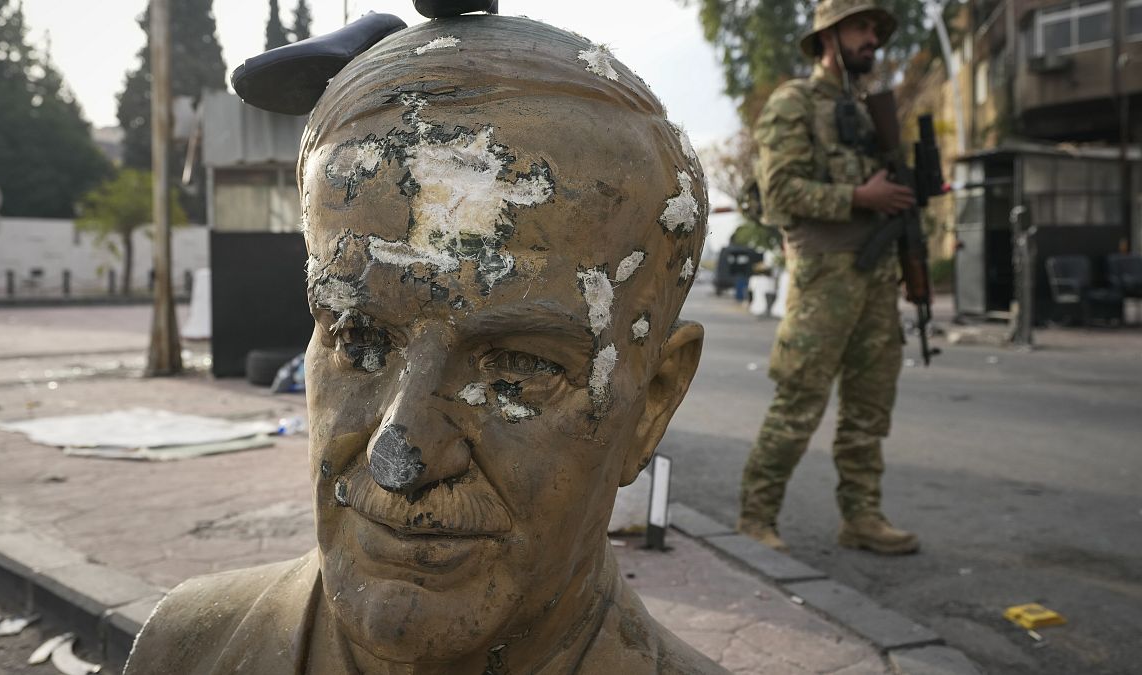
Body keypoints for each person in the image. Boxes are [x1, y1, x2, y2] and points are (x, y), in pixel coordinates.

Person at [125, 14, 728, 675]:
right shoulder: (184, 649)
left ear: (652, 402)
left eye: (520, 367)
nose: (399, 459)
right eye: (360, 339)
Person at [735, 0, 920, 555]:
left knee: (870, 405)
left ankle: (862, 516)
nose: (872, 40)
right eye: (861, 27)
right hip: (824, 278)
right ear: (828, 38)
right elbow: (780, 192)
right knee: (800, 400)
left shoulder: (866, 113)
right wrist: (859, 197)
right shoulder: (793, 104)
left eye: (874, 30)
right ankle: (755, 517)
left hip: (876, 278)